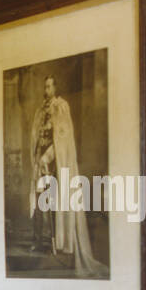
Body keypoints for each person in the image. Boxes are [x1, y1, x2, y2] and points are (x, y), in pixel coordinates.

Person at [29, 75, 103, 275]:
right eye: (45, 86)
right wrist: (38, 157)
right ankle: (42, 240)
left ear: (56, 87)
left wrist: (49, 156)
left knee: (53, 199)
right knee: (40, 198)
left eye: (50, 86)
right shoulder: (40, 110)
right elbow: (37, 137)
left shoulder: (61, 106)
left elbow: (62, 137)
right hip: (41, 160)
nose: (46, 90)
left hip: (54, 160)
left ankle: (59, 242)